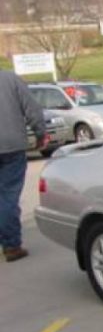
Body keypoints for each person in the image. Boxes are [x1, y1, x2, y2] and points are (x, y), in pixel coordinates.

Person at [0, 69, 46, 262]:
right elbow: (32, 108)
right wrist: (40, 132)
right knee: (8, 197)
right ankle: (11, 246)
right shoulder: (10, 78)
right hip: (11, 146)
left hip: (11, 146)